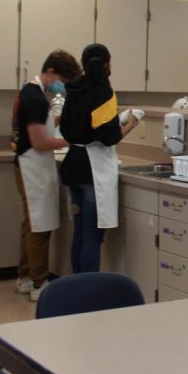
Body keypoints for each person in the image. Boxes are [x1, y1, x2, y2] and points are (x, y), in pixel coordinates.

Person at [59, 44, 138, 273]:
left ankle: (76, 287)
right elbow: (108, 137)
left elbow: (67, 128)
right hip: (92, 169)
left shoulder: (73, 89)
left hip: (73, 165)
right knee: (92, 237)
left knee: (80, 235)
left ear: (83, 64)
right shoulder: (104, 92)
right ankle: (90, 291)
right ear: (106, 64)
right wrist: (129, 125)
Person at [11, 50, 82, 301]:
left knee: (30, 224)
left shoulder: (31, 91)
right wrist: (72, 140)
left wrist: (61, 118)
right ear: (51, 72)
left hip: (28, 164)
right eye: (62, 79)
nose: (62, 85)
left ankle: (24, 277)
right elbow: (40, 141)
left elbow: (41, 123)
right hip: (33, 166)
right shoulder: (35, 98)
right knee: (39, 227)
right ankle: (39, 285)